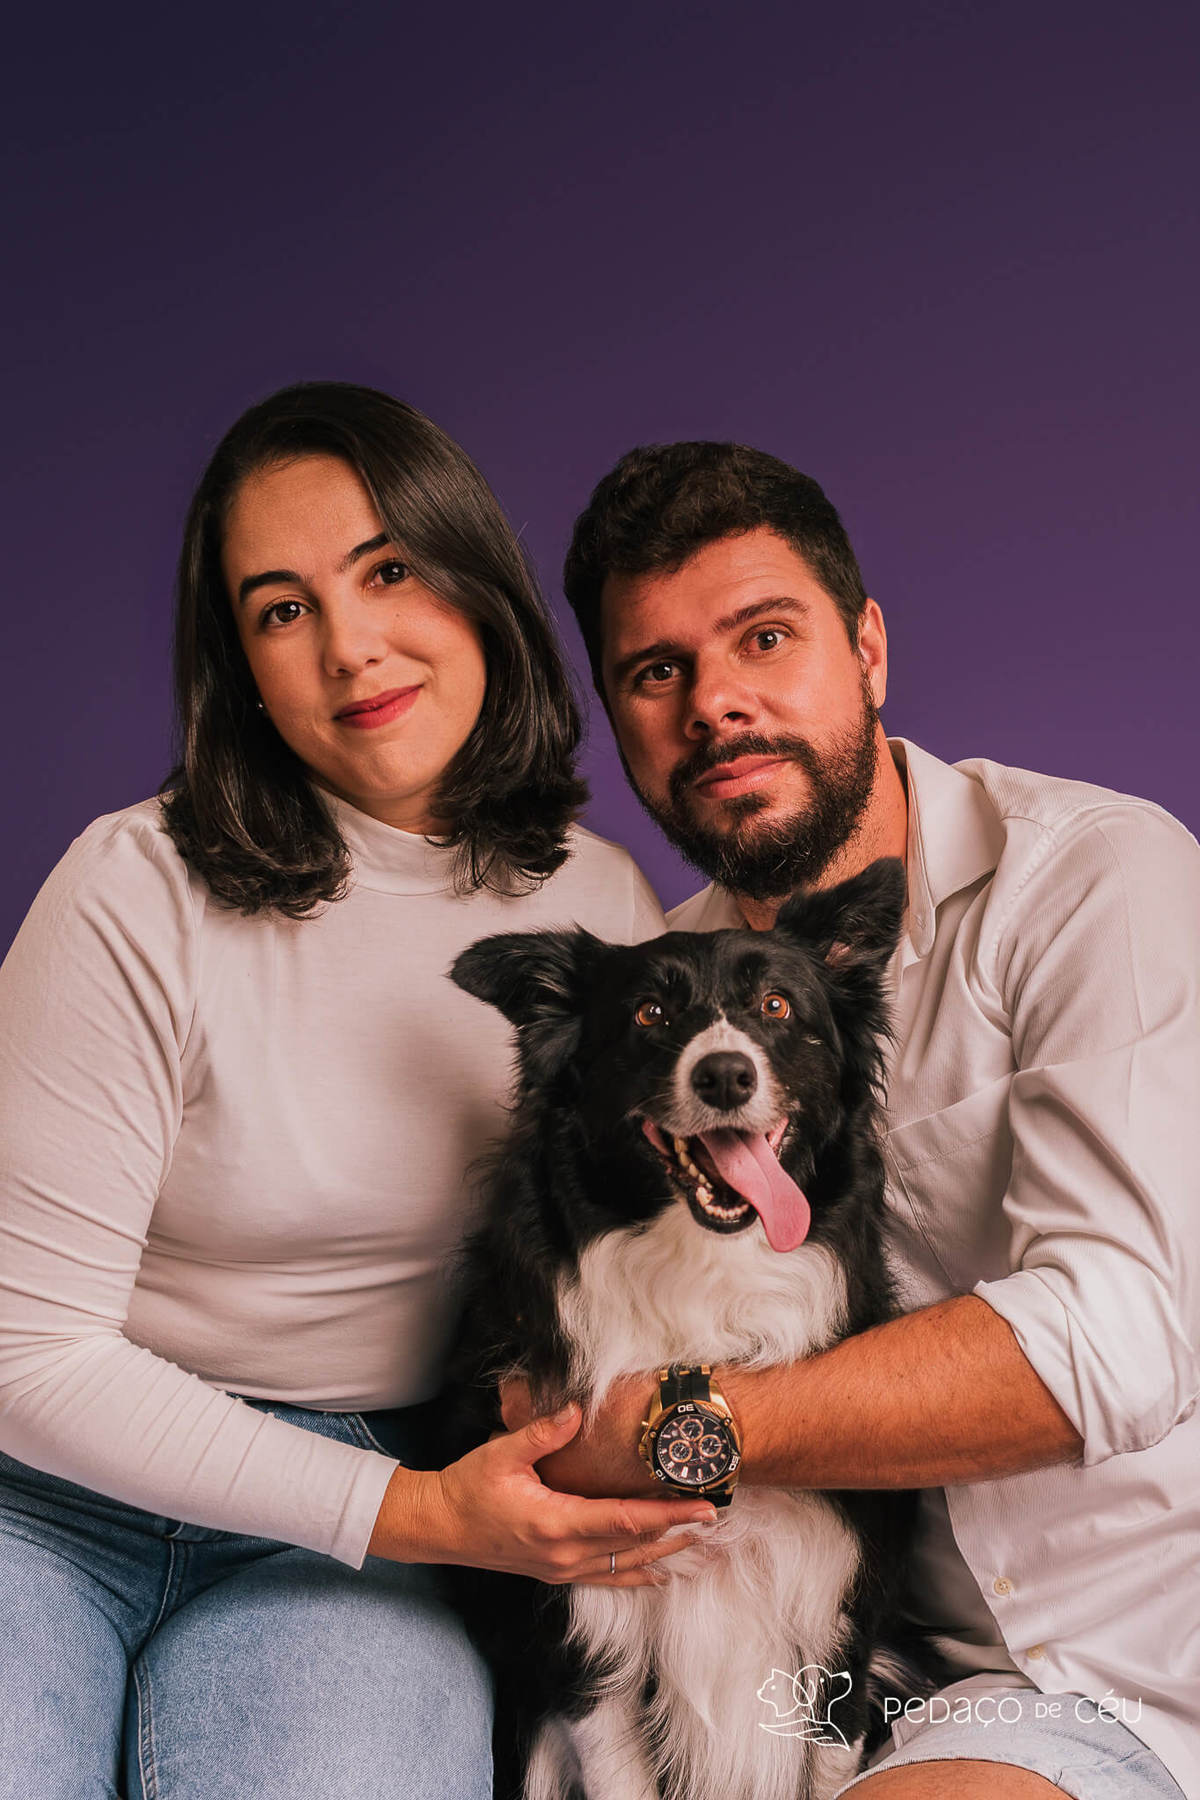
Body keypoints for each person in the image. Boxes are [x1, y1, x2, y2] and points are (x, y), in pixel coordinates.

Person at [0, 385, 716, 1800]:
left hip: (372, 1507)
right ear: (241, 666)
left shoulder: (597, 913)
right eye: (282, 610)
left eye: (388, 571)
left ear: (476, 582)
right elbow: (24, 1354)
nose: (348, 646)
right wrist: (422, 1512)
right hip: (47, 1493)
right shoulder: (132, 890)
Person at [500, 441, 1198, 1799]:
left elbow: (1117, 1338)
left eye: (765, 637)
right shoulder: (650, 1005)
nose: (716, 703)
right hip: (854, 1667)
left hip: (1123, 1666)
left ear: (868, 646)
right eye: (658, 672)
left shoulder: (1095, 884)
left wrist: (674, 1429)